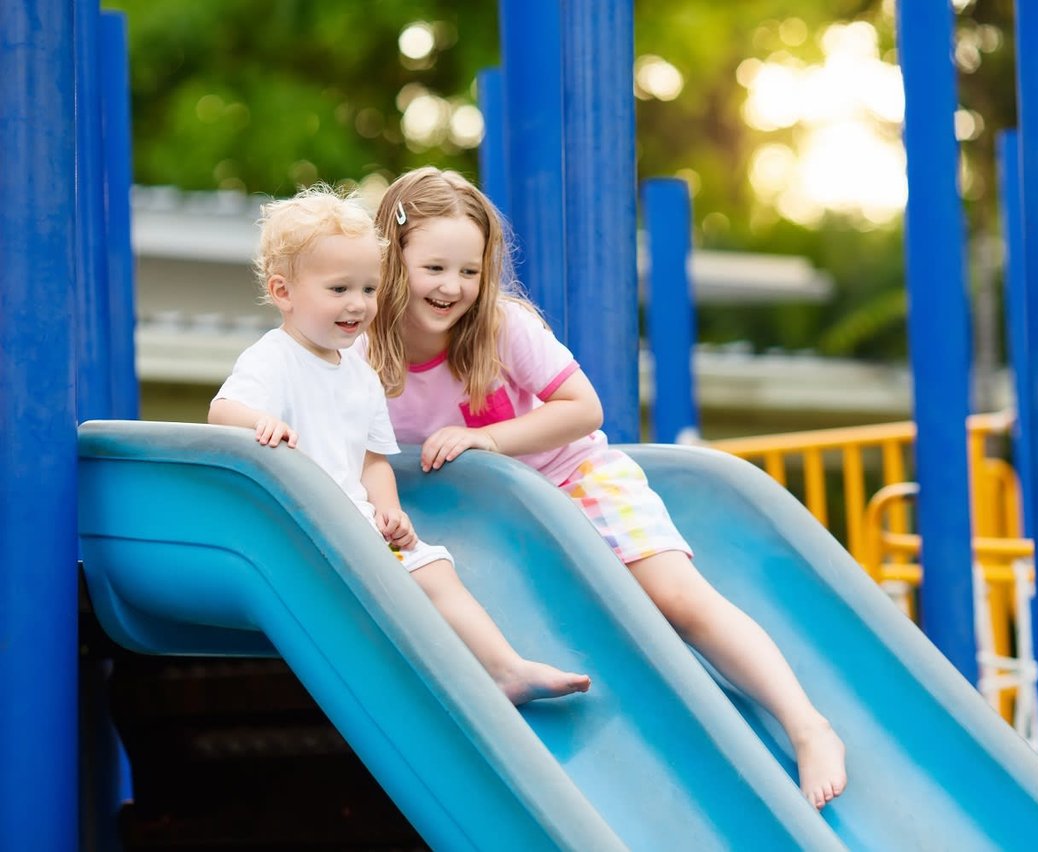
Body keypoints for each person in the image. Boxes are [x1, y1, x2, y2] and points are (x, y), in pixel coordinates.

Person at [362, 167, 846, 810]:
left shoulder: (502, 327)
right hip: (484, 521)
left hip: (573, 476)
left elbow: (584, 408)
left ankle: (807, 724)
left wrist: (490, 438)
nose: (453, 287)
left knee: (676, 598)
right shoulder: (363, 349)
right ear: (393, 259)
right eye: (435, 268)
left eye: (470, 271)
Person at [208, 184, 590, 706]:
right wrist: (259, 423)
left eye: (369, 289)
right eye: (339, 290)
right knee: (388, 597)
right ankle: (425, 687)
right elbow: (221, 411)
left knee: (434, 567)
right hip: (302, 525)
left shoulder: (361, 373)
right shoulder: (273, 360)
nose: (358, 305)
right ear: (283, 292)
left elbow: (372, 458)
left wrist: (388, 509)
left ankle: (507, 669)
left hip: (357, 524)